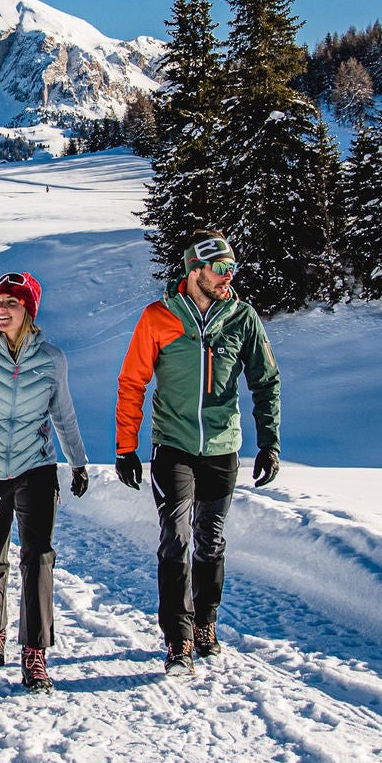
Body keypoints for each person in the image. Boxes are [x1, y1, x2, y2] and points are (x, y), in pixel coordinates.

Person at [114, 233, 282, 675]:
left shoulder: (242, 318)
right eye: (221, 269)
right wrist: (125, 448)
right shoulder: (158, 318)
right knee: (176, 537)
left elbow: (266, 381)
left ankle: (206, 622)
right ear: (195, 271)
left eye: (233, 269)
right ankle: (178, 639)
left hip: (224, 447)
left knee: (210, 540)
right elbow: (132, 382)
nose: (229, 277)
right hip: (173, 446)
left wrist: (270, 442)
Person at [0, 270, 92, 693]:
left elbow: (63, 413)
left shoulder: (51, 359)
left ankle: (35, 652)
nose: (2, 310)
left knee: (38, 557)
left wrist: (78, 462)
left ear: (29, 310)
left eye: (11, 303)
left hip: (36, 467)